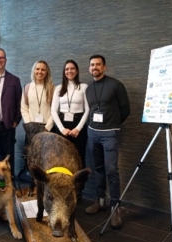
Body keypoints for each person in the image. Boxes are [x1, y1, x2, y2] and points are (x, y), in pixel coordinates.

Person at [84, 54, 130, 230]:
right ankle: (100, 200)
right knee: (98, 168)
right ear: (90, 68)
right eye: (92, 65)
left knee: (112, 169)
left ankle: (115, 208)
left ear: (104, 67)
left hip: (110, 133)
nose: (95, 67)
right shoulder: (89, 89)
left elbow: (126, 109)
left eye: (98, 64)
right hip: (92, 132)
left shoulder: (116, 85)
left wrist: (113, 124)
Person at [51, 59, 89, 169]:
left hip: (78, 124)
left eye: (72, 68)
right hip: (62, 124)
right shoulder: (59, 88)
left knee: (78, 156)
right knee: (61, 156)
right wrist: (62, 129)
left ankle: (79, 185)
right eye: (67, 69)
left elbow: (87, 110)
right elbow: (53, 111)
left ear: (77, 71)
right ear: (64, 71)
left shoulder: (84, 87)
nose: (69, 71)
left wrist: (78, 128)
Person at [20, 60, 55, 159]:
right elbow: (24, 108)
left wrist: (48, 127)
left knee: (45, 157)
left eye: (43, 70)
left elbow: (55, 110)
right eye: (37, 69)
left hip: (47, 128)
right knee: (30, 158)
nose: (40, 72)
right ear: (33, 70)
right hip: (31, 128)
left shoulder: (52, 88)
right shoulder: (27, 87)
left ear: (47, 72)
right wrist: (29, 125)